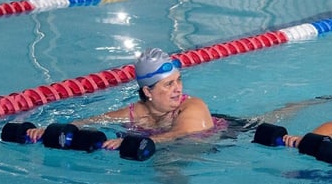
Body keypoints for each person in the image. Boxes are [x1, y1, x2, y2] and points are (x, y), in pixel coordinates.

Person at [26, 48, 220, 148]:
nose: (178, 89)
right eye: (169, 84)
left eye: (178, 81)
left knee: (168, 161)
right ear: (147, 92)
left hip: (227, 138)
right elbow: (92, 121)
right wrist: (51, 130)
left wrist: (129, 141)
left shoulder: (192, 107)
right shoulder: (136, 112)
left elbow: (179, 134)